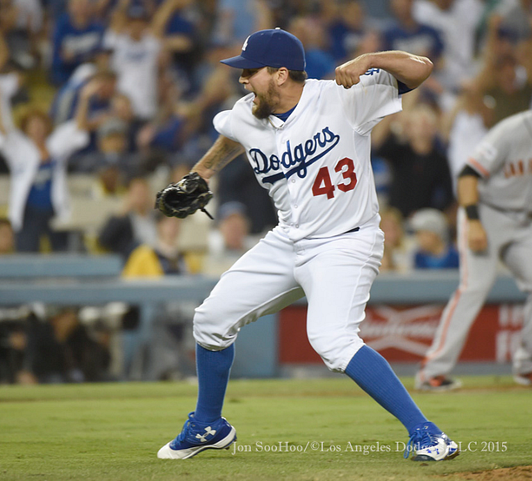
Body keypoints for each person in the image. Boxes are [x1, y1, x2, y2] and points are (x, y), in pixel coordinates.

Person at [155, 28, 458, 462]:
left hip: (345, 242)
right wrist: (201, 174)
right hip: (288, 239)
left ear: (281, 74)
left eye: (250, 72)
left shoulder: (341, 98)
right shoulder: (247, 112)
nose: (242, 79)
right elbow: (234, 137)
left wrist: (370, 57)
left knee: (332, 340)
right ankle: (208, 425)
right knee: (210, 320)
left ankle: (427, 434)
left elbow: (422, 69)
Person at [416, 109, 532, 391]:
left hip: (523, 220)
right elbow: (468, 175)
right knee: (474, 288)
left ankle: (527, 366)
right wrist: (475, 221)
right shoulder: (513, 130)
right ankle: (433, 371)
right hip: (485, 211)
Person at [0, 80, 94, 252]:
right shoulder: (19, 147)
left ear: (46, 125)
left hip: (54, 210)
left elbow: (79, 128)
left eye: (40, 123)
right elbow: (3, 130)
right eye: (32, 125)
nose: (37, 128)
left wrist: (84, 98)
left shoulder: (55, 143)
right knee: (26, 257)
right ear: (26, 128)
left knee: (63, 255)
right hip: (28, 212)